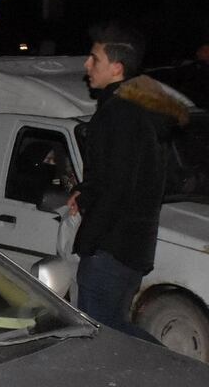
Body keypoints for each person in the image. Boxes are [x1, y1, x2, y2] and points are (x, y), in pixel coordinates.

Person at [67, 22, 188, 342]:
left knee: (99, 332)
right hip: (132, 247)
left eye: (95, 59)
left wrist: (89, 244)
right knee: (111, 336)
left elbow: (118, 187)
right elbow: (129, 174)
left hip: (111, 248)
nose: (86, 65)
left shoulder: (120, 114)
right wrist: (85, 190)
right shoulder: (142, 110)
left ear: (116, 68)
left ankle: (169, 368)